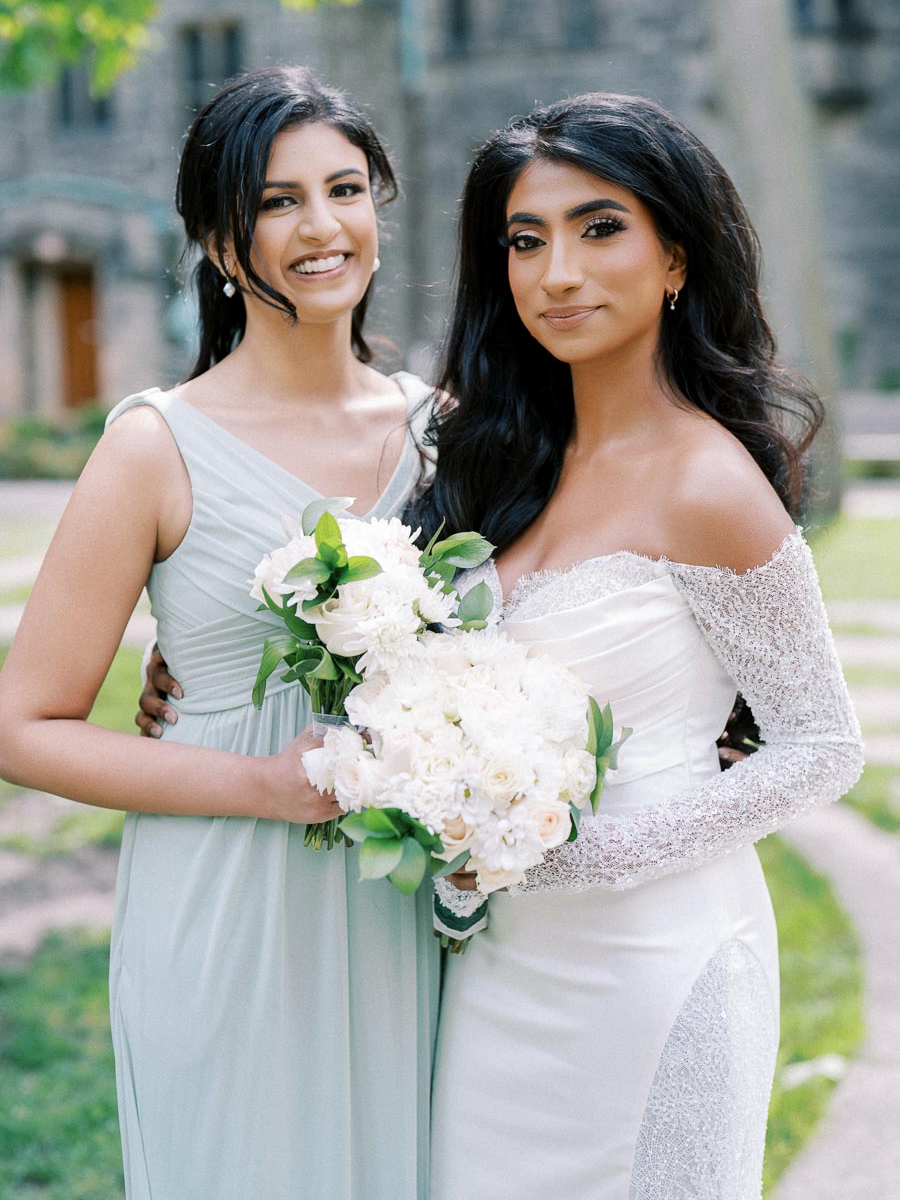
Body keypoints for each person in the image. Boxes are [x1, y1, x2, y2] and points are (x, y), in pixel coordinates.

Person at [0, 67, 441, 1200]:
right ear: (215, 239)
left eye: (344, 189)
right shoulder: (156, 445)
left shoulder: (443, 432)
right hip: (224, 893)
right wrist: (262, 782)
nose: (321, 226)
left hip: (406, 905)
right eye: (277, 201)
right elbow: (23, 727)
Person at [414, 93, 864, 1199]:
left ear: (676, 257)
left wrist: (583, 856)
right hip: (502, 973)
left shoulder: (710, 483)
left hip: (657, 964)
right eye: (526, 240)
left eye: (600, 228)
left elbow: (822, 745)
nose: (557, 273)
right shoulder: (501, 467)